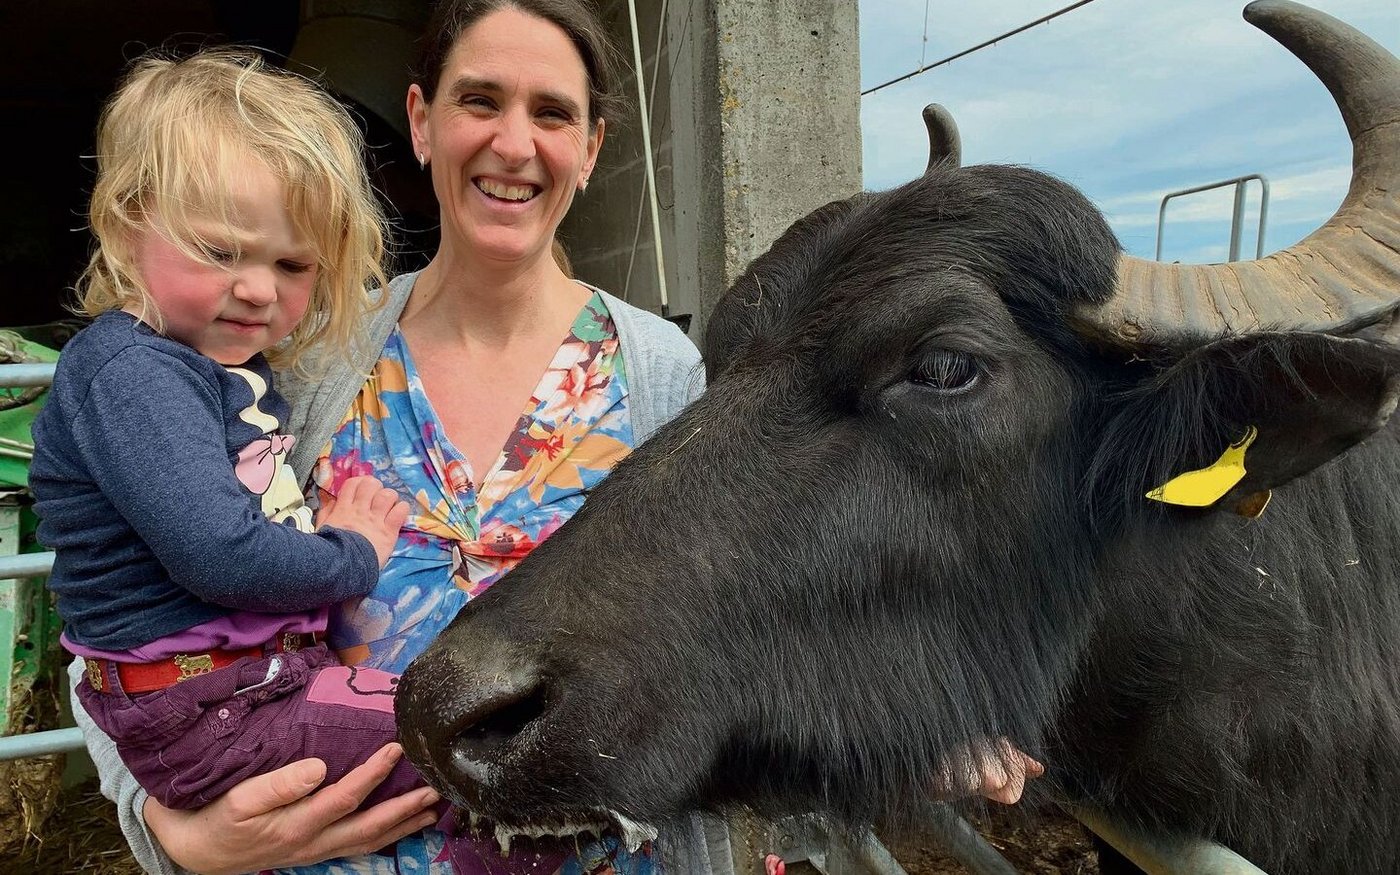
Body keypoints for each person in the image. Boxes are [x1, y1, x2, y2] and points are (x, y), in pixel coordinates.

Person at [66, 3, 1042, 873]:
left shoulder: (664, 375)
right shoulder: (302, 356)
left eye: (552, 113)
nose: (513, 143)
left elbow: (768, 626)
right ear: (421, 122)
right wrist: (175, 830)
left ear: (590, 147)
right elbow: (119, 610)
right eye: (479, 101)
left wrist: (907, 735)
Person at [30, 47, 453, 818]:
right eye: (220, 251)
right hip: (205, 707)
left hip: (242, 691)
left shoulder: (215, 366)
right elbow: (220, 553)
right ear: (128, 224)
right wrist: (352, 553)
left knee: (457, 736)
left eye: (293, 265)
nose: (258, 289)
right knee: (469, 747)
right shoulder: (134, 374)